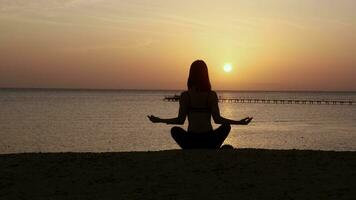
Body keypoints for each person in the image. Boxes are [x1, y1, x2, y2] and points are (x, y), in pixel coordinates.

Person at [148, 60, 253, 149]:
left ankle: (191, 149)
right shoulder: (211, 95)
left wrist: (159, 120)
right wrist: (239, 122)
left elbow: (180, 120)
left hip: (191, 140)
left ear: (191, 75)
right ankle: (213, 148)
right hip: (209, 140)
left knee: (175, 130)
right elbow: (218, 120)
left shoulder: (186, 95)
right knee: (226, 126)